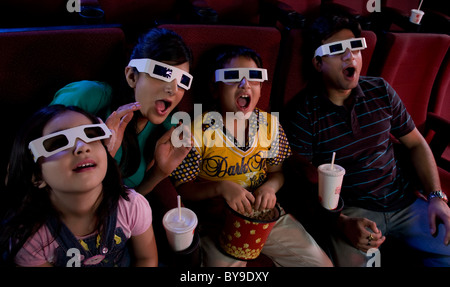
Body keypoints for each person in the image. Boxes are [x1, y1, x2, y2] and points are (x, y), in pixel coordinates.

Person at [284, 14, 450, 266]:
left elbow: (415, 143)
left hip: (402, 201)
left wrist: (436, 196)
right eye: (338, 50)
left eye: (356, 48)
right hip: (351, 212)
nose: (350, 57)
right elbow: (299, 181)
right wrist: (340, 222)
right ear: (318, 63)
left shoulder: (380, 90)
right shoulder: (303, 111)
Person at [170, 45, 333, 267]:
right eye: (233, 77)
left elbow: (277, 172)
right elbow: (182, 187)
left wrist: (270, 187)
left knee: (319, 263)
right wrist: (221, 187)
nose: (245, 84)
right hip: (217, 220)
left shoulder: (270, 125)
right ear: (215, 88)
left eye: (254, 78)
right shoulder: (195, 129)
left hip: (264, 214)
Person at [0, 105, 158, 267]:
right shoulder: (29, 238)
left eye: (90, 135)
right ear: (37, 176)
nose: (82, 147)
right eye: (59, 142)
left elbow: (147, 259)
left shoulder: (132, 206)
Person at [50, 27, 192, 196]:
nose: (173, 89)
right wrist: (100, 155)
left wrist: (159, 173)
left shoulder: (165, 130)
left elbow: (127, 201)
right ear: (132, 76)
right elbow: (31, 164)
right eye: (163, 74)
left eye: (183, 81)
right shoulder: (86, 98)